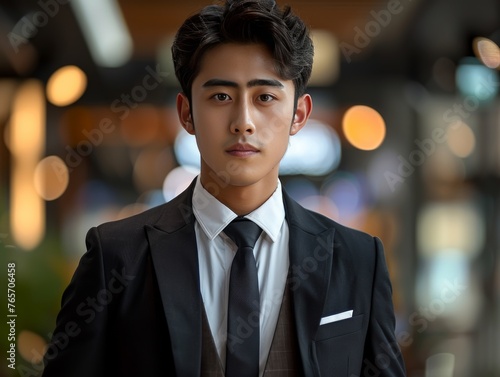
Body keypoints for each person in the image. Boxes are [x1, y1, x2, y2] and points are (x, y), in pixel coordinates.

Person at [42, 0, 406, 376]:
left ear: (299, 114)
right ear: (186, 113)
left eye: (265, 97)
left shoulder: (358, 259)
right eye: (220, 96)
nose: (243, 122)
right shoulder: (116, 256)